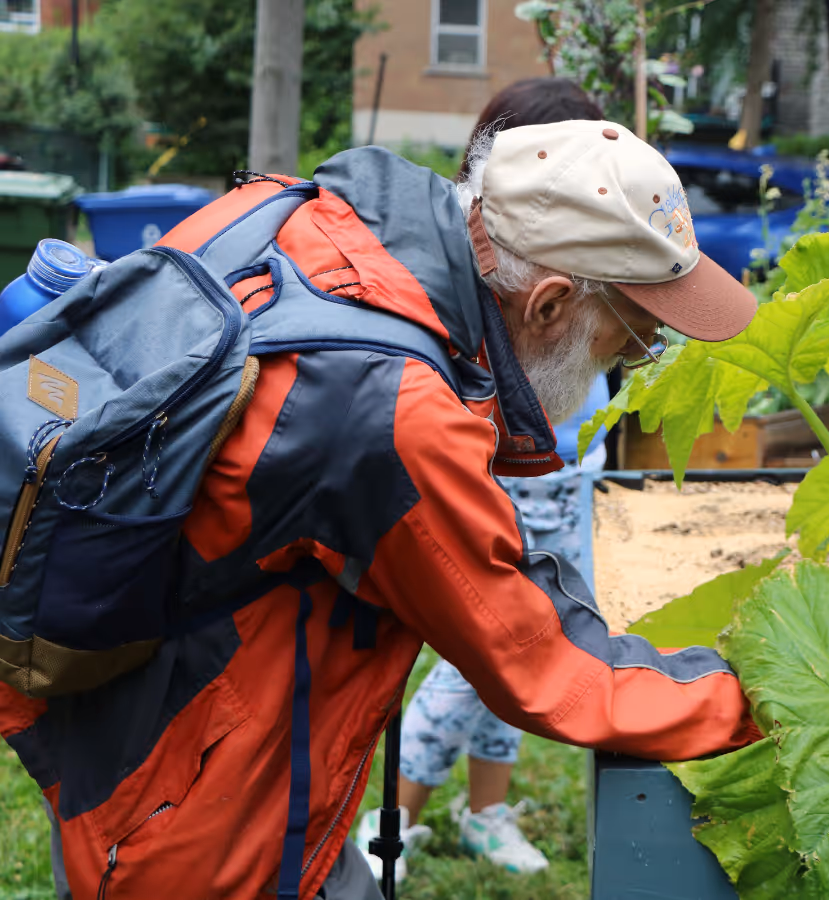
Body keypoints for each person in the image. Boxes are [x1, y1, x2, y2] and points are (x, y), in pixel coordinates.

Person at [0, 115, 758, 900]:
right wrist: (766, 697)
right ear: (549, 304)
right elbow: (543, 664)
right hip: (197, 820)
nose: (627, 365)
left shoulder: (299, 215)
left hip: (146, 730)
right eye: (630, 341)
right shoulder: (392, 408)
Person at [353, 78, 611, 881]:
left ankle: (488, 808)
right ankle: (389, 818)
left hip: (574, 478)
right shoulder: (505, 251)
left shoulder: (590, 235)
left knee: (542, 638)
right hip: (519, 477)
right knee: (489, 657)